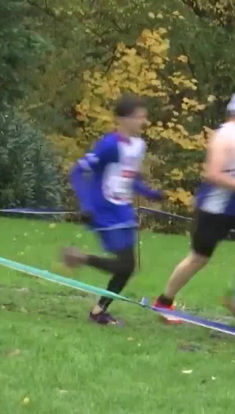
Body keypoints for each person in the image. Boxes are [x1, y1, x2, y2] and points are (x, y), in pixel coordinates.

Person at [61, 93, 164, 325]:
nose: (143, 122)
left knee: (127, 267)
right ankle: (83, 267)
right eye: (139, 117)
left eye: (144, 117)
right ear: (123, 119)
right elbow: (78, 172)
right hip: (103, 211)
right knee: (126, 265)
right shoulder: (109, 145)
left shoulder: (138, 146)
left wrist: (150, 193)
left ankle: (98, 310)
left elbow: (130, 178)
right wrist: (86, 206)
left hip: (123, 211)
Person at [153, 90, 235, 321]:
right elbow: (213, 175)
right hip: (215, 208)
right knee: (199, 257)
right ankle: (164, 301)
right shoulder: (226, 136)